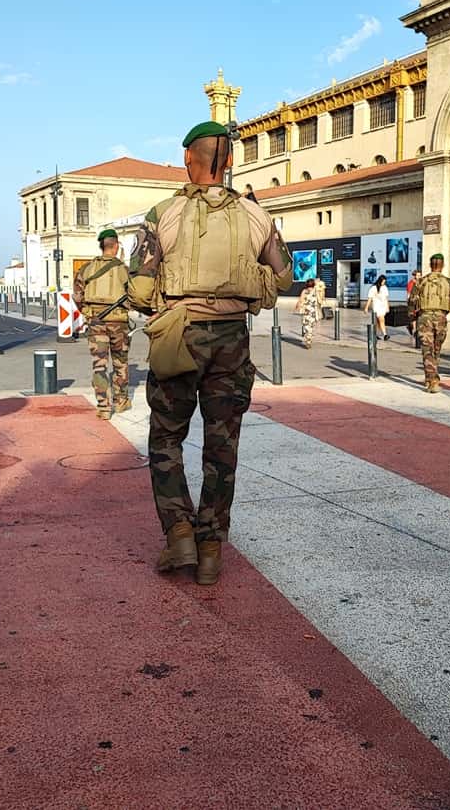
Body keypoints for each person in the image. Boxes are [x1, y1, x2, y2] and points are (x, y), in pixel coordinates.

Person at [127, 121, 293, 586]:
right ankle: (211, 547)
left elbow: (139, 291)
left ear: (187, 159)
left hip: (179, 336)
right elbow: (283, 278)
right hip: (232, 340)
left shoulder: (162, 214)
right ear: (232, 163)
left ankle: (179, 534)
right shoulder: (257, 217)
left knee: (165, 438)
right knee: (222, 447)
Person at [74, 228, 132, 420]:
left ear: (101, 246)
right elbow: (136, 294)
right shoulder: (123, 269)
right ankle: (121, 400)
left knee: (99, 365)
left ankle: (103, 407)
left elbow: (77, 295)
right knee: (120, 362)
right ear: (115, 246)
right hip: (119, 323)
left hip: (96, 322)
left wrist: (86, 312)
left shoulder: (86, 269)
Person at [409, 254, 450, 393]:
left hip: (424, 318)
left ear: (430, 264)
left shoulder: (421, 282)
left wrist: (411, 321)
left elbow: (411, 302)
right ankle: (432, 380)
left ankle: (431, 378)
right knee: (436, 350)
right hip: (440, 319)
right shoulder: (449, 283)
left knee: (427, 350)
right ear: (442, 265)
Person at [365, 275, 390, 340]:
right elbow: (370, 298)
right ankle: (385, 334)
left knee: (378, 321)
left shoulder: (385, 287)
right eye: (383, 282)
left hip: (383, 306)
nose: (383, 283)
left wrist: (387, 306)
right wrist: (366, 307)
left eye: (384, 282)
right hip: (376, 306)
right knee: (382, 320)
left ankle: (375, 334)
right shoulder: (373, 288)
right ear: (379, 281)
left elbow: (386, 298)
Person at [299, 280, 319, 348]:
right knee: (310, 327)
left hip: (306, 312)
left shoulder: (304, 291)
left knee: (306, 327)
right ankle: (308, 340)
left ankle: (308, 340)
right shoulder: (315, 291)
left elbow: (301, 300)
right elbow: (318, 301)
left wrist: (300, 307)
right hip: (313, 312)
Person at [406, 270, 422, 342]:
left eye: (419, 275)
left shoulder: (421, 282)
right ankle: (410, 327)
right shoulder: (411, 283)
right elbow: (409, 292)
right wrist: (408, 300)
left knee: (418, 316)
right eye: (417, 275)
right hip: (412, 301)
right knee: (412, 317)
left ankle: (416, 331)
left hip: (419, 302)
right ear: (414, 275)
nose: (418, 276)